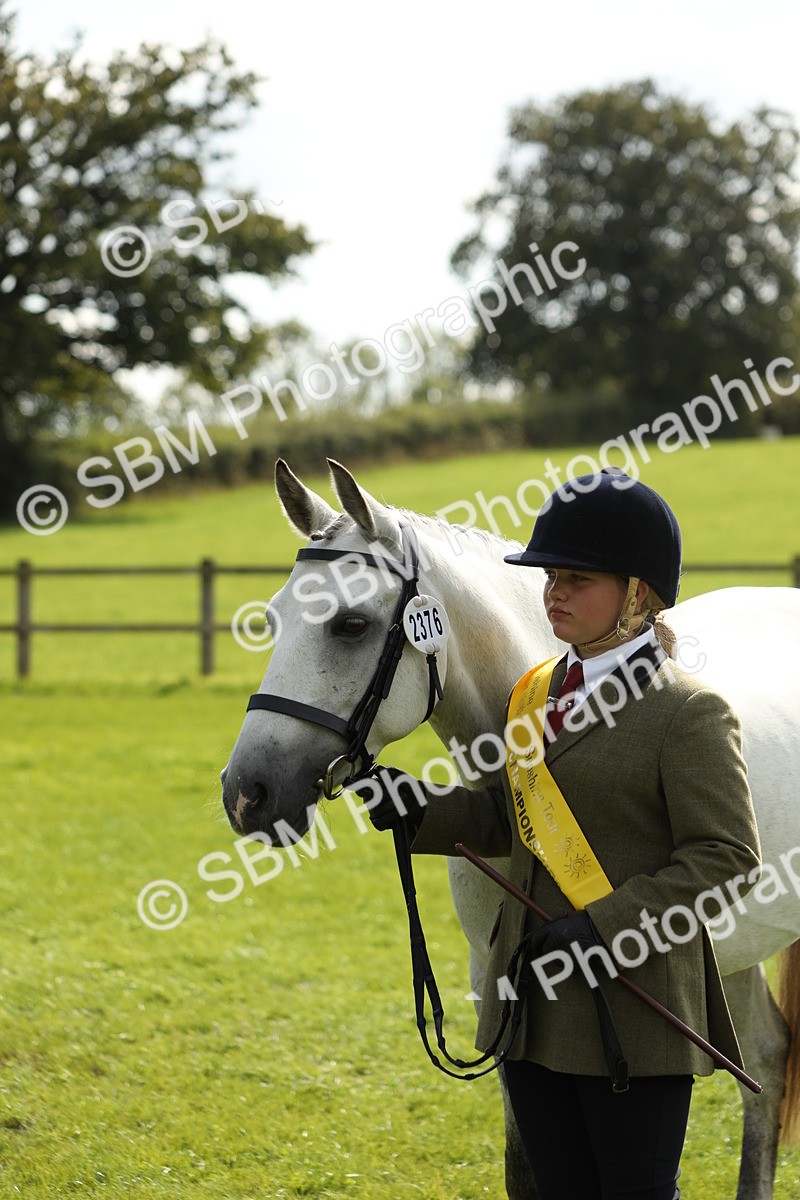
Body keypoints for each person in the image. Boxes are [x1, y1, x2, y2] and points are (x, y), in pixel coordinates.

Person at [354, 468, 761, 1200]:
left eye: (577, 577)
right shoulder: (533, 694)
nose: (553, 593)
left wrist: (603, 928)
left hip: (634, 1003)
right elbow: (514, 822)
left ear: (638, 594)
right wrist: (421, 809)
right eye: (548, 576)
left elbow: (726, 859)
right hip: (531, 1000)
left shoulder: (690, 712)